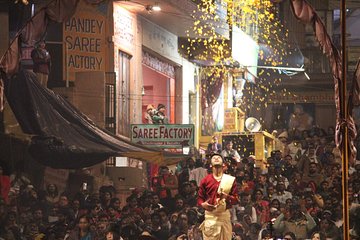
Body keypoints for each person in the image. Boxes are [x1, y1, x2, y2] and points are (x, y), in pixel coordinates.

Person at [197, 154, 239, 239]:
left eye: (219, 157)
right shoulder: (205, 180)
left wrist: (227, 197)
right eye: (213, 158)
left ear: (223, 164)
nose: (216, 158)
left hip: (224, 216)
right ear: (210, 164)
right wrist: (203, 204)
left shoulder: (230, 180)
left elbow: (236, 199)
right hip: (210, 217)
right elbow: (200, 198)